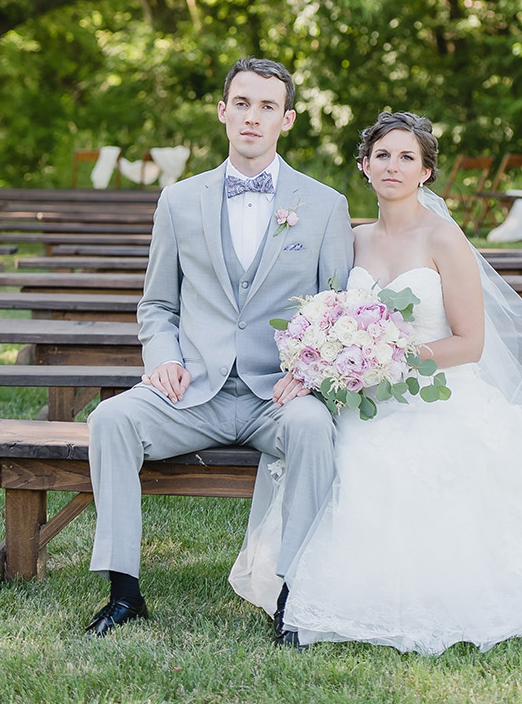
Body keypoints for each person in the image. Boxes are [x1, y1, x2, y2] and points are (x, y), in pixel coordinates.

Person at [229, 111, 522, 655]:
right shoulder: (351, 239)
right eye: (382, 155)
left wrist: (388, 361)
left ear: (426, 171)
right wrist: (322, 360)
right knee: (332, 454)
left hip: (434, 395)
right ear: (363, 166)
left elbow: (469, 344)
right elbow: (325, 318)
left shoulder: (444, 239)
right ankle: (299, 591)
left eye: (408, 157)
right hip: (360, 399)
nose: (393, 166)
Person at [85, 57, 354, 641]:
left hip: (277, 395)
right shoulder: (179, 200)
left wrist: (311, 375)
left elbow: (338, 310)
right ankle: (124, 592)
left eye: (267, 107)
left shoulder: (325, 204)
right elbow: (157, 305)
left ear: (286, 120)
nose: (252, 117)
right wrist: (163, 358)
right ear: (222, 111)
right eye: (242, 103)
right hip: (195, 391)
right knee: (110, 418)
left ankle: (295, 596)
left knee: (313, 429)